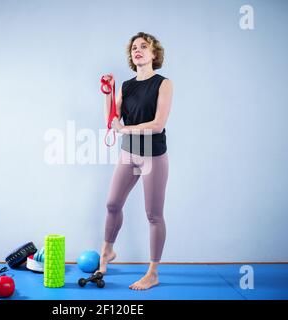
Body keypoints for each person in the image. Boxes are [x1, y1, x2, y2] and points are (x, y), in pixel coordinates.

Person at [99, 32, 173, 290]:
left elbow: (158, 124)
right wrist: (108, 92)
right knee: (111, 204)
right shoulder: (127, 86)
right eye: (134, 48)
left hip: (153, 155)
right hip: (128, 153)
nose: (137, 50)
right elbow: (113, 119)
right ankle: (107, 251)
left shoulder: (163, 83)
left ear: (154, 54)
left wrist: (126, 129)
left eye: (144, 46)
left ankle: (153, 272)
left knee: (153, 215)